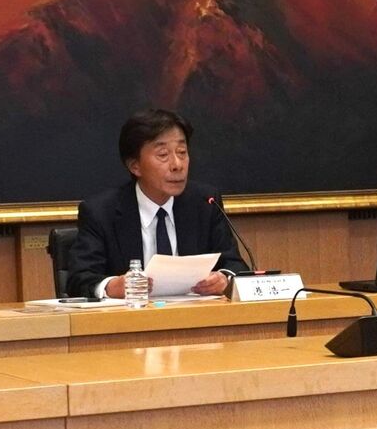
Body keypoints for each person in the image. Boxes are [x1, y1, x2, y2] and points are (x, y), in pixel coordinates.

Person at [66, 109, 247, 299]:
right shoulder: (101, 212)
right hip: (132, 315)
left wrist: (224, 278)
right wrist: (112, 286)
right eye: (163, 154)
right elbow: (79, 279)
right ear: (135, 166)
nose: (177, 164)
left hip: (194, 314)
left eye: (182, 152)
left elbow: (235, 265)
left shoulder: (205, 203)